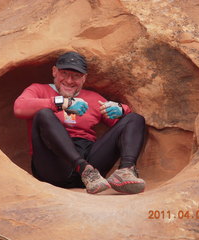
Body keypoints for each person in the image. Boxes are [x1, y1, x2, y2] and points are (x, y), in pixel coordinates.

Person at [14, 51, 146, 194]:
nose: (69, 81)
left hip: (92, 168)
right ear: (54, 72)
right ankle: (83, 168)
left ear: (84, 78)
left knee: (135, 118)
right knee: (43, 114)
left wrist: (122, 109)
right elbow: (20, 108)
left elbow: (127, 128)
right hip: (54, 166)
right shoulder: (39, 89)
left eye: (76, 76)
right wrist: (62, 103)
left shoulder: (93, 98)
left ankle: (126, 171)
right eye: (64, 73)